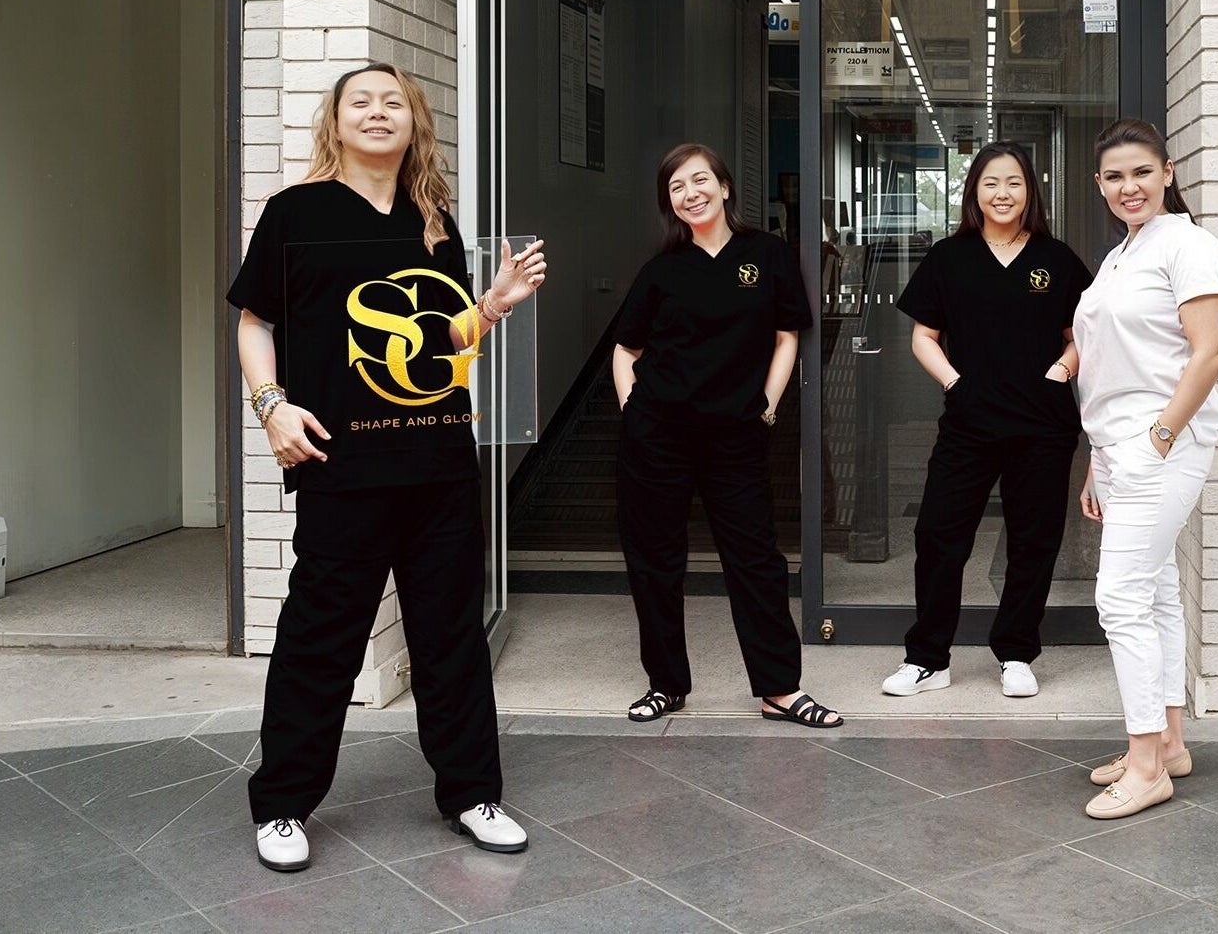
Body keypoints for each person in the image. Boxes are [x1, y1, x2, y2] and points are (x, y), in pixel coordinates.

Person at [229, 63, 547, 872]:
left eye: (393, 102)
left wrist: (495, 304)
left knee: (451, 639)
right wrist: (272, 407)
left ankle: (472, 793)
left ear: (414, 123)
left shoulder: (430, 215)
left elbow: (442, 341)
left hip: (438, 459)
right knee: (320, 638)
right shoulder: (293, 214)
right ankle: (283, 805)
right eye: (360, 102)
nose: (377, 113)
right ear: (334, 122)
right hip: (341, 461)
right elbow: (255, 322)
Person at [612, 143, 843, 728]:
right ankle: (666, 683)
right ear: (670, 204)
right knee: (655, 560)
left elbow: (788, 335)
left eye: (699, 181)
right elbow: (626, 348)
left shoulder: (765, 255)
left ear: (724, 186)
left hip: (734, 435)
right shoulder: (661, 270)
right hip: (658, 434)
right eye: (676, 188)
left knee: (755, 561)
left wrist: (766, 403)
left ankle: (779, 690)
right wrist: (632, 410)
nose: (690, 194)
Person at [880, 142, 1090, 699]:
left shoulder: (1057, 259)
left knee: (1033, 540)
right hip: (969, 423)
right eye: (991, 182)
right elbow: (922, 336)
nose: (1003, 193)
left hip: (1042, 426)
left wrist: (1060, 371)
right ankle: (928, 658)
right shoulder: (950, 257)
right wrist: (955, 382)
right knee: (938, 536)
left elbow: (1082, 338)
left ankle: (1017, 653)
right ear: (973, 190)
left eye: (1014, 183)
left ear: (1030, 191)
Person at [1071, 118, 1218, 821]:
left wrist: (1158, 437)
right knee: (1156, 591)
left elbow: (1210, 353)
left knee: (1121, 599)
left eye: (1140, 171)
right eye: (1113, 176)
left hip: (1158, 445)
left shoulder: (1188, 244)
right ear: (1099, 186)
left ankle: (1144, 768)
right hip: (1119, 449)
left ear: (1167, 172)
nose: (1127, 186)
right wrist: (1097, 461)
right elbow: (1111, 366)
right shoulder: (1121, 254)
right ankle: (1168, 743)